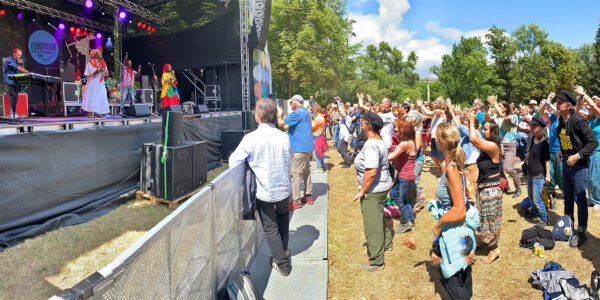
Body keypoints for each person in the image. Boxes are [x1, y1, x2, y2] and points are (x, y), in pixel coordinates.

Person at [229, 98, 292, 276]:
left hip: (265, 191)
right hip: (284, 188)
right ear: (274, 116)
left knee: (271, 228)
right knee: (283, 218)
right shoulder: (284, 136)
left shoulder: (251, 138)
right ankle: (284, 250)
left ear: (257, 116)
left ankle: (282, 264)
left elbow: (234, 161)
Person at [428, 122, 478, 299]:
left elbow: (459, 210)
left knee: (456, 284)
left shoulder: (451, 169)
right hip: (459, 232)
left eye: (435, 137)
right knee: (463, 276)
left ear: (441, 141)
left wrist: (439, 224)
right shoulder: (452, 165)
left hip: (456, 233)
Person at [553, 90, 598, 247]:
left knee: (580, 199)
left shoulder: (578, 120)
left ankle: (581, 232)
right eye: (557, 102)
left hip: (579, 166)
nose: (557, 105)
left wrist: (577, 156)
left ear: (569, 105)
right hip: (566, 164)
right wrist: (561, 150)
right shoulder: (561, 120)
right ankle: (568, 226)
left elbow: (593, 142)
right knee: (568, 197)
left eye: (560, 102)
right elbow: (562, 136)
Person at [352, 111, 392, 271]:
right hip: (382, 186)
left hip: (374, 190)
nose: (360, 122)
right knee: (379, 215)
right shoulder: (377, 140)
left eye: (363, 120)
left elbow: (371, 171)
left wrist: (362, 191)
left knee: (372, 223)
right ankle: (387, 243)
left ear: (369, 126)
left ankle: (376, 261)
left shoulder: (371, 145)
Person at [466, 109, 502, 264]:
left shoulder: (493, 147)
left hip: (490, 190)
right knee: (483, 219)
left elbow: (474, 140)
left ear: (492, 132)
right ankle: (484, 241)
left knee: (488, 221)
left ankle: (494, 249)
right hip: (484, 188)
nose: (482, 130)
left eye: (485, 129)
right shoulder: (488, 146)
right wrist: (472, 123)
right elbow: (474, 137)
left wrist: (471, 120)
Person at [277, 95, 314, 210]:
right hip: (308, 147)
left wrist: (279, 114)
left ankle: (296, 201)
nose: (290, 104)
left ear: (295, 103)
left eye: (291, 102)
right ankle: (308, 195)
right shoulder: (306, 112)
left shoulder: (297, 113)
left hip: (299, 149)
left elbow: (280, 124)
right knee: (306, 171)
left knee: (295, 174)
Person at [487, 96, 522, 198]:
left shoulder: (514, 116)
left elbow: (505, 118)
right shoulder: (496, 117)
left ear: (505, 108)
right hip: (499, 144)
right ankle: (505, 185)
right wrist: (489, 108)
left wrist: (495, 103)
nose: (498, 107)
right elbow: (486, 118)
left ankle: (518, 188)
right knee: (498, 167)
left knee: (509, 168)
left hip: (509, 145)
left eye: (500, 106)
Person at [388, 119, 418, 233]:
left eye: (398, 128)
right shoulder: (410, 142)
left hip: (405, 176)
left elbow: (390, 158)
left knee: (401, 200)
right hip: (404, 175)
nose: (396, 129)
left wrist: (378, 155)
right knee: (395, 194)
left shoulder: (405, 144)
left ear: (404, 130)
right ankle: (411, 219)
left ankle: (406, 223)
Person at [574, 86, 600, 211]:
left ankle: (597, 200)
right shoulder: (592, 118)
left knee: (594, 176)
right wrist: (579, 98)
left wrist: (583, 94)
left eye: (593, 107)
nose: (589, 108)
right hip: (589, 150)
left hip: (598, 151)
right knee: (589, 176)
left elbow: (594, 107)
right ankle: (593, 198)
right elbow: (577, 111)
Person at [524, 117, 550, 226]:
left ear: (539, 128)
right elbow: (530, 153)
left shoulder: (544, 143)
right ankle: (534, 212)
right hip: (530, 172)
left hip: (538, 174)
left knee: (537, 198)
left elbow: (547, 160)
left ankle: (544, 219)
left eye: (533, 126)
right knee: (530, 196)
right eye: (531, 125)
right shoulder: (532, 139)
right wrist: (524, 160)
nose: (531, 127)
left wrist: (548, 175)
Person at [3, 47, 30, 118]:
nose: (19, 57)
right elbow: (18, 68)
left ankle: (14, 113)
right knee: (12, 98)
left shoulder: (16, 61)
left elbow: (17, 73)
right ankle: (12, 114)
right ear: (14, 53)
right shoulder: (9, 60)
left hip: (15, 83)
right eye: (18, 55)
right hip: (9, 82)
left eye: (20, 55)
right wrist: (27, 72)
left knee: (15, 98)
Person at [82, 49, 109, 117]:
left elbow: (106, 72)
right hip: (93, 82)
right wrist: (99, 70)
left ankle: (98, 112)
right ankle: (90, 112)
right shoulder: (91, 62)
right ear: (96, 54)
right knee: (92, 96)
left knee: (100, 96)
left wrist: (106, 73)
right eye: (99, 53)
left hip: (100, 82)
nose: (101, 54)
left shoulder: (103, 62)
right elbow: (90, 71)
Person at [335, 97, 354, 166]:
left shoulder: (347, 118)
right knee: (339, 149)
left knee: (343, 150)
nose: (340, 114)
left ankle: (347, 163)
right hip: (342, 136)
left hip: (345, 136)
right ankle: (347, 158)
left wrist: (338, 102)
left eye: (342, 113)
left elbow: (341, 111)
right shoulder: (344, 119)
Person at [311, 103, 326, 173]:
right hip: (320, 135)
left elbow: (312, 127)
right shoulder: (321, 117)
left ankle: (320, 168)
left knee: (316, 153)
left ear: (316, 110)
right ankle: (322, 166)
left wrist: (310, 121)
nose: (313, 111)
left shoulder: (318, 118)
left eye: (313, 110)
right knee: (319, 152)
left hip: (317, 136)